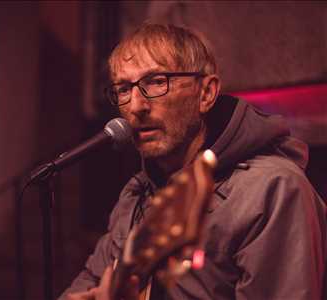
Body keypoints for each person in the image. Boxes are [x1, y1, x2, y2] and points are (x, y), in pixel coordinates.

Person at [60, 23, 326, 300]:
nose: (136, 106)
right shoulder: (137, 194)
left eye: (157, 81)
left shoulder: (273, 190)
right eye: (124, 89)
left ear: (206, 94)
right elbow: (88, 282)